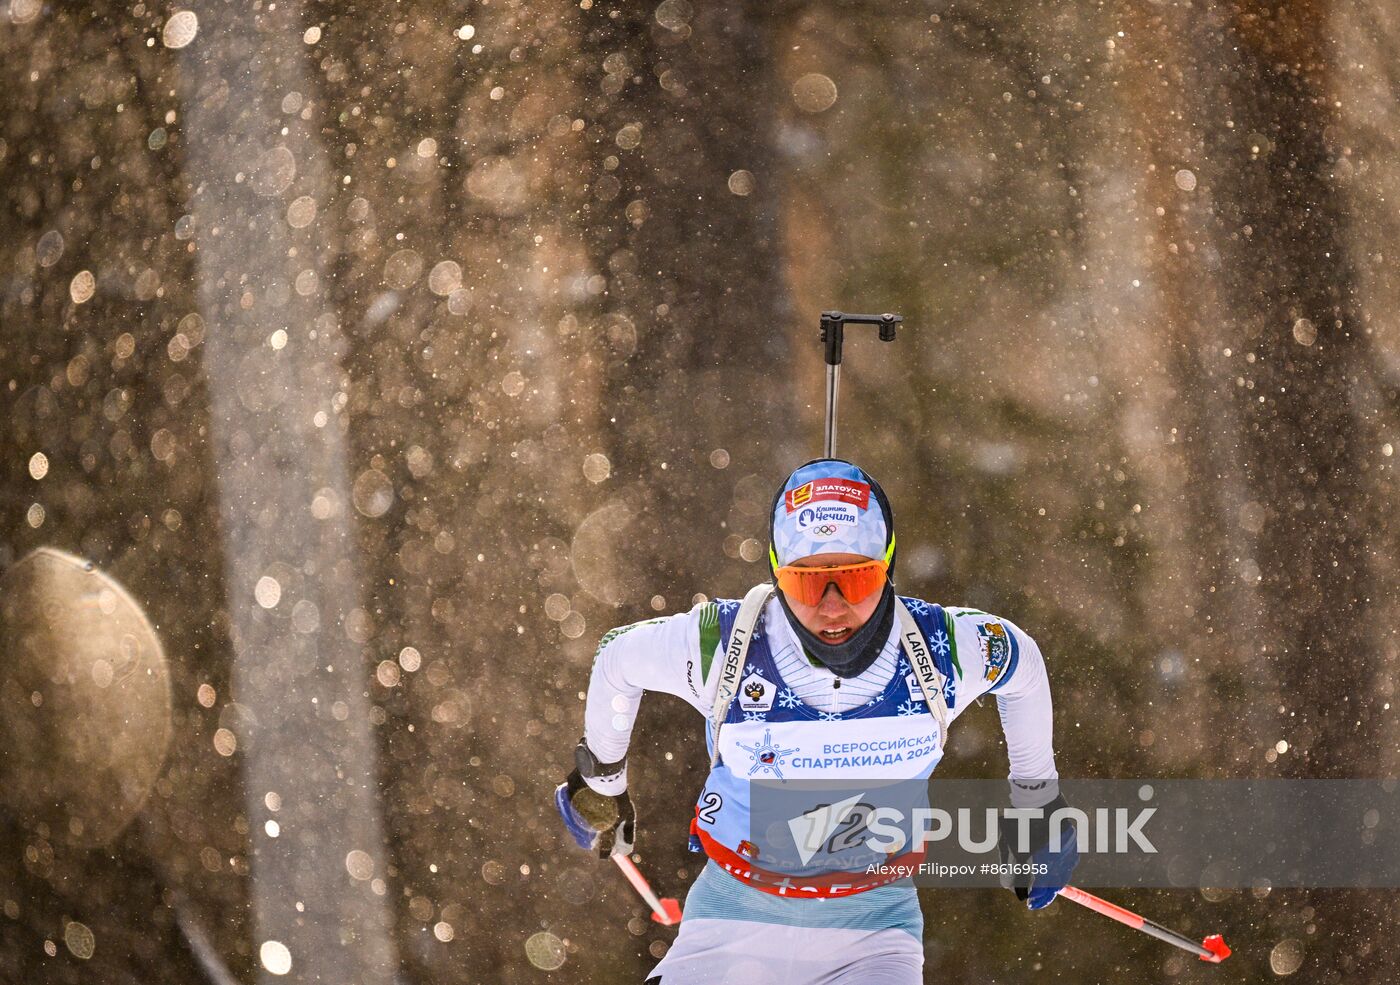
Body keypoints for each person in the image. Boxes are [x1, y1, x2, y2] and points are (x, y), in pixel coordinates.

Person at [555, 459, 1076, 983]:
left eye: (856, 578)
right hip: (729, 928)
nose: (833, 608)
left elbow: (1021, 663)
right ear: (778, 574)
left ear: (888, 566)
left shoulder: (941, 653)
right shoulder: (726, 647)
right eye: (807, 585)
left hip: (873, 936)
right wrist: (601, 781)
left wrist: (1037, 802)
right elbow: (618, 656)